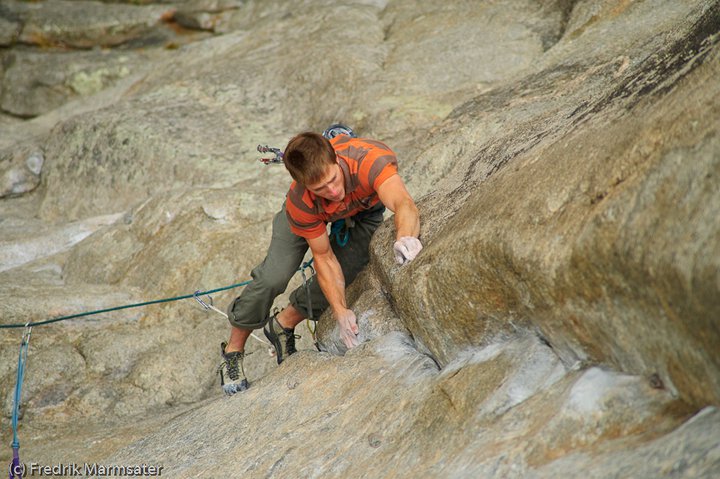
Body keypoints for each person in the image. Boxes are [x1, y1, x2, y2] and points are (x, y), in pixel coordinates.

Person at [218, 126, 422, 395]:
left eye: (334, 179)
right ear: (305, 185)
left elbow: (403, 203)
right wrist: (339, 311)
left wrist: (404, 238)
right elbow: (323, 257)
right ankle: (233, 351)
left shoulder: (370, 161)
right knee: (272, 277)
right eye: (321, 188)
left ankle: (283, 324)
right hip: (309, 217)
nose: (334, 191)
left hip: (361, 211)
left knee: (351, 267)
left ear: (336, 160)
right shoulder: (300, 201)